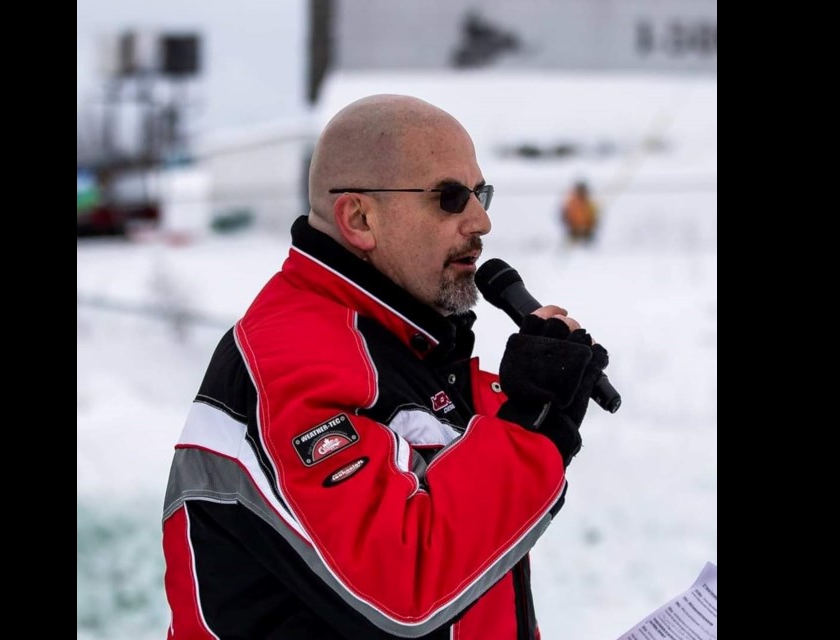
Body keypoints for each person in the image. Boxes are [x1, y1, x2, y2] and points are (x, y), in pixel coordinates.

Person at [162, 95, 610, 639]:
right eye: (450, 198)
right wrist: (530, 425)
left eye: (481, 193)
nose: (481, 220)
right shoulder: (292, 361)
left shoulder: (413, 350)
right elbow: (406, 590)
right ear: (359, 218)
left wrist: (535, 401)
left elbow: (472, 575)